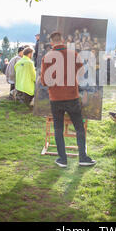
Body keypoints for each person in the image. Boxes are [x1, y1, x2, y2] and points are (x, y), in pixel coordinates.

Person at [41, 31, 96, 168]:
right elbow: (83, 73)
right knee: (79, 127)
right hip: (72, 96)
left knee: (58, 128)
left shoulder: (47, 57)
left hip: (56, 98)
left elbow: (44, 82)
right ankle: (83, 157)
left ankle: (62, 159)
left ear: (52, 42)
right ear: (63, 40)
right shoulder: (74, 54)